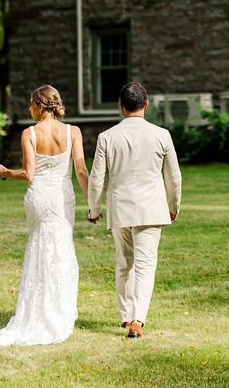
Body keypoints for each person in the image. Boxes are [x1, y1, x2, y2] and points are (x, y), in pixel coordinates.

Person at [0, 85, 89, 345]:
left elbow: (28, 174)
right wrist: (92, 202)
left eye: (31, 104)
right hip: (63, 198)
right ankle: (60, 311)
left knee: (40, 248)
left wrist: (5, 171)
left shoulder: (29, 133)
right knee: (62, 248)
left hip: (40, 197)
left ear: (41, 105)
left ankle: (39, 311)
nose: (29, 109)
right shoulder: (73, 132)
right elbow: (81, 170)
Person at [88, 81, 182, 339]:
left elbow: (97, 178)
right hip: (152, 208)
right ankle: (138, 319)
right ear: (146, 105)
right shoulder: (162, 135)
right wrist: (174, 206)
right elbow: (173, 178)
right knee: (145, 265)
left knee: (124, 264)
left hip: (120, 208)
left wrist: (94, 208)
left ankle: (127, 316)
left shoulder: (107, 137)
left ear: (121, 106)